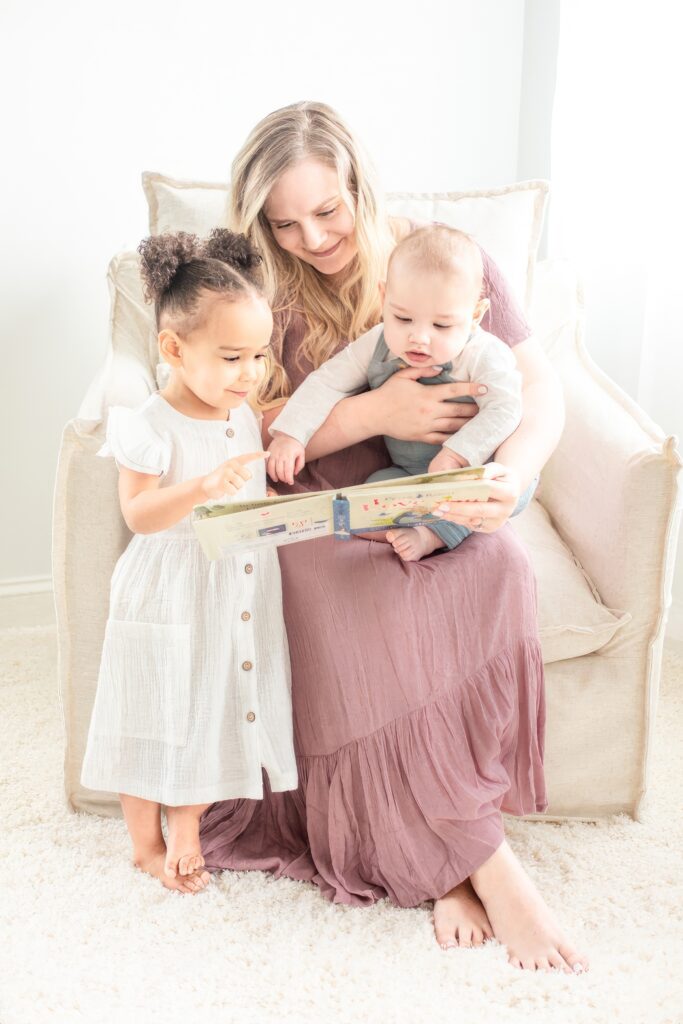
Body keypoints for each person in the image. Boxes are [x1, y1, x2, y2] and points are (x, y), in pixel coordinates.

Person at [199, 102, 588, 973]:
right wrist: (369, 415)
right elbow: (229, 434)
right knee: (357, 598)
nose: (310, 237)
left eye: (327, 211)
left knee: (494, 571)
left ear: (360, 188)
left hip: (437, 486)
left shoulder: (444, 260)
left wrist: (508, 479)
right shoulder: (249, 288)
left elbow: (537, 388)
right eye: (283, 221)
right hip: (317, 497)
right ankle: (481, 862)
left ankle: (435, 853)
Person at [81, 230, 297, 894]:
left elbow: (269, 426)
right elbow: (140, 515)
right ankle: (147, 844)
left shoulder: (241, 411)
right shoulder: (149, 423)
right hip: (169, 585)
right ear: (174, 350)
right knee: (151, 712)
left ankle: (186, 825)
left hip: (232, 582)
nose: (251, 373)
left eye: (259, 355)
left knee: (214, 706)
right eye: (233, 357)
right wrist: (203, 489)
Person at [267, 223, 533, 561]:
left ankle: (433, 535)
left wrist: (457, 456)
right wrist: (291, 434)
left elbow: (507, 408)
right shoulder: (376, 342)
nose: (419, 337)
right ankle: (396, 525)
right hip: (408, 472)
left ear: (475, 315)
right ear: (384, 298)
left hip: (471, 468)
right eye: (403, 318)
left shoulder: (483, 354)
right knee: (369, 492)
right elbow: (326, 381)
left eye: (441, 325)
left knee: (489, 492)